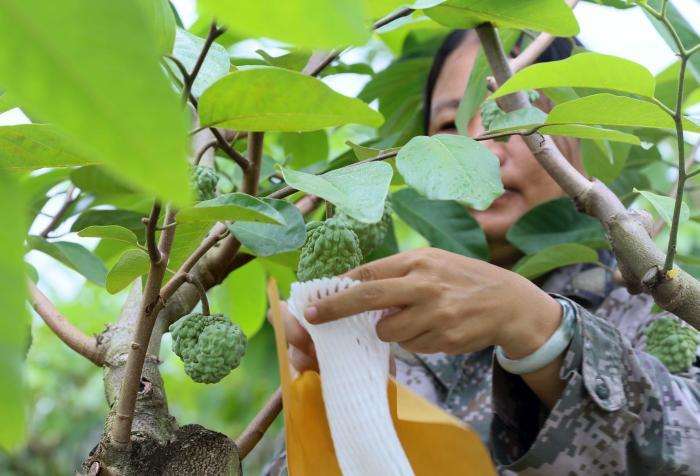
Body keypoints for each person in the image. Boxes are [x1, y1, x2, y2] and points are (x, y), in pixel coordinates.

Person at [269, 30, 700, 475]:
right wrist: (347, 409)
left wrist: (538, 331)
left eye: (511, 114)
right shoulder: (389, 335)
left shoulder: (663, 314)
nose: (477, 148)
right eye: (447, 129)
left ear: (584, 140)